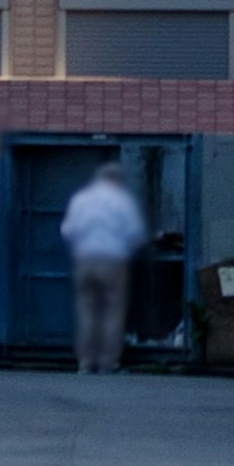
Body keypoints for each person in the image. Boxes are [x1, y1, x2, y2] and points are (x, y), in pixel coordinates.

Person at [60, 160, 146, 379]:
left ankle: (86, 364)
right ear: (117, 180)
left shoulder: (81, 199)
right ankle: (109, 364)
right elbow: (135, 232)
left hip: (85, 260)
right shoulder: (122, 200)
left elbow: (68, 230)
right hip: (113, 261)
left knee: (87, 312)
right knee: (112, 313)